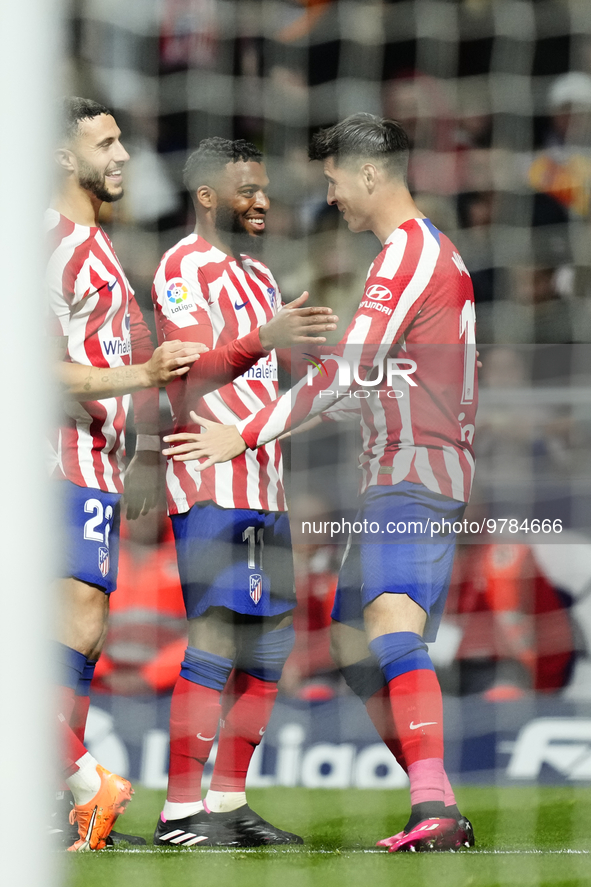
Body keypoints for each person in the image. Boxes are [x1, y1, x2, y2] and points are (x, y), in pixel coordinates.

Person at [163, 114, 479, 852]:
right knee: (346, 639)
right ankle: (431, 791)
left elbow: (342, 374)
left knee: (389, 624)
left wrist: (242, 432)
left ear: (370, 173)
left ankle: (431, 802)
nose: (329, 194)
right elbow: (360, 385)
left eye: (334, 178)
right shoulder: (424, 253)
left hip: (413, 470)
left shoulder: (407, 254)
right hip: (396, 468)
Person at [151, 137, 338, 847]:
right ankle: (177, 813)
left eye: (263, 189)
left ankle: (228, 802)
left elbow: (273, 375)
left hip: (266, 480)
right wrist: (265, 336)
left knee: (267, 649)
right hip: (208, 474)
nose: (261, 201)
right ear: (207, 196)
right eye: (246, 190)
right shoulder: (181, 268)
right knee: (216, 635)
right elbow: (187, 379)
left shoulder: (259, 276)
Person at [48, 97, 205, 851]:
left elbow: (132, 341)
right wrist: (141, 371)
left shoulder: (99, 246)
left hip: (93, 466)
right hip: (46, 463)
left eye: (121, 139)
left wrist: (144, 446)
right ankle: (86, 782)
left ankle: (66, 799)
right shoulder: (45, 246)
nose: (122, 155)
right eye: (104, 142)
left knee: (77, 639)